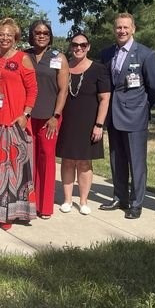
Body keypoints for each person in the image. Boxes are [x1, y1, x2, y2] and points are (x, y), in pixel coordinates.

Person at [99, 12, 155, 219]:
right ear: (114, 29)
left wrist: (143, 105)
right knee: (116, 159)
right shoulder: (107, 53)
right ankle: (120, 197)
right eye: (118, 27)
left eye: (126, 27)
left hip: (135, 115)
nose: (122, 31)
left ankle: (136, 203)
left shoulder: (146, 54)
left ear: (133, 29)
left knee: (136, 162)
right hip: (113, 115)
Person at [0, 18, 38, 230]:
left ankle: (10, 214)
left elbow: (33, 90)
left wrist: (25, 114)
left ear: (15, 38)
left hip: (12, 122)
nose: (4, 38)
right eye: (1, 34)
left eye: (9, 35)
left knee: (11, 170)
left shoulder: (23, 59)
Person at [56, 32, 110, 216]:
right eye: (75, 45)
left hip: (89, 122)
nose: (79, 48)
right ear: (70, 46)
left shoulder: (98, 69)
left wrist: (99, 125)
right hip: (67, 121)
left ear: (88, 47)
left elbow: (104, 99)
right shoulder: (63, 67)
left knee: (84, 162)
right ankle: (67, 199)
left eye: (83, 45)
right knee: (68, 160)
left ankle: (84, 200)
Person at [26, 20, 69, 218]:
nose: (41, 35)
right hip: (27, 117)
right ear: (31, 34)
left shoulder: (58, 57)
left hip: (49, 118)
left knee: (46, 159)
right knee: (28, 159)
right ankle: (28, 202)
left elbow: (63, 90)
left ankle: (44, 206)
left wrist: (56, 115)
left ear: (50, 35)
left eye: (45, 32)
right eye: (37, 32)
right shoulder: (24, 56)